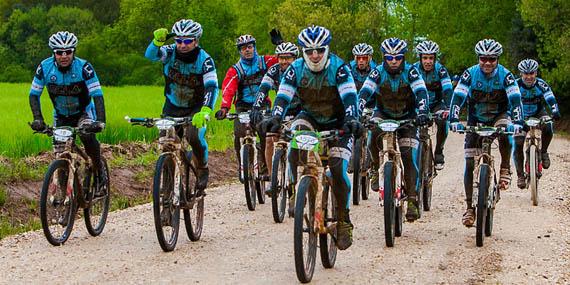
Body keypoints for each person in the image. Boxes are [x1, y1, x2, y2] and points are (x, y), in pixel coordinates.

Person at [260, 25, 360, 250]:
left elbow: (350, 96)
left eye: (320, 50)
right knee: (295, 139)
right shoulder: (295, 69)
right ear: (303, 51)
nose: (315, 55)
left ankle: (344, 219)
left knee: (337, 168)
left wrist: (353, 119)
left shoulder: (340, 67)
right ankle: (297, 188)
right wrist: (275, 118)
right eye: (309, 51)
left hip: (339, 121)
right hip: (310, 118)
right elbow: (283, 96)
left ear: (327, 49)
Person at [448, 39, 524, 227]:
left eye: (492, 59)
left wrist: (517, 122)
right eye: (484, 59)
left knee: (506, 130)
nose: (487, 63)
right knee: (468, 161)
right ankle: (469, 208)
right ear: (478, 58)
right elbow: (458, 98)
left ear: (497, 59)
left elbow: (515, 100)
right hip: (476, 118)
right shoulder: (470, 74)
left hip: (500, 115)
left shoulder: (506, 76)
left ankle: (505, 168)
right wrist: (454, 120)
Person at [358, 37, 430, 222]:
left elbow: (421, 93)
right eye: (389, 58)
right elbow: (365, 92)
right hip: (383, 113)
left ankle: (413, 199)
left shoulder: (411, 72)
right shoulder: (377, 72)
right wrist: (356, 111)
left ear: (403, 57)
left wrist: (423, 112)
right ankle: (375, 167)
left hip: (408, 116)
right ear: (384, 58)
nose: (393, 61)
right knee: (372, 133)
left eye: (397, 57)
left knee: (408, 154)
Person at [145, 19, 218, 196]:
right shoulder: (170, 53)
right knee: (166, 144)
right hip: (172, 107)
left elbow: (211, 86)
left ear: (196, 41)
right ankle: (168, 192)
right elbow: (151, 55)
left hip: (196, 108)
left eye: (187, 41)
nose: (182, 45)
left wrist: (206, 110)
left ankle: (202, 167)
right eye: (178, 41)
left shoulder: (205, 60)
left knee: (194, 136)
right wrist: (156, 42)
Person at [29, 31, 107, 194]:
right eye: (59, 52)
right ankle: (66, 194)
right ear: (54, 53)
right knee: (61, 154)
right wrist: (38, 119)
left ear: (73, 52)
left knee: (87, 136)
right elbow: (34, 95)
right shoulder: (44, 67)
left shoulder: (84, 67)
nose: (64, 56)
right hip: (61, 115)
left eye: (68, 52)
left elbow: (97, 95)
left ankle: (99, 173)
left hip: (84, 113)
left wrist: (100, 121)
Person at [215, 34, 279, 181]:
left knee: (265, 134)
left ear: (254, 48)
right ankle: (242, 164)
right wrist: (224, 108)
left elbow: (284, 58)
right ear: (239, 51)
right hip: (242, 106)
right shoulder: (235, 70)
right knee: (239, 134)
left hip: (263, 104)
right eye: (244, 48)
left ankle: (264, 167)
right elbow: (228, 88)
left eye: (250, 47)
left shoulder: (265, 62)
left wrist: (279, 44)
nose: (247, 50)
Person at [249, 41, 301, 195]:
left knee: (300, 143)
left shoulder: (300, 70)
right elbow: (263, 89)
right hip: (280, 111)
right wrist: (256, 108)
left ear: (295, 58)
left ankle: (303, 175)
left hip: (300, 111)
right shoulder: (273, 70)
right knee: (270, 138)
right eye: (280, 58)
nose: (283, 61)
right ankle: (273, 180)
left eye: (288, 58)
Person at [513, 59, 561, 188]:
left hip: (539, 113)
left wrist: (555, 111)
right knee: (517, 143)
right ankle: (520, 176)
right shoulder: (515, 85)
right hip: (521, 115)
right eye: (525, 74)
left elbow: (550, 98)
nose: (529, 77)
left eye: (532, 73)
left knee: (549, 126)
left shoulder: (541, 84)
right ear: (521, 74)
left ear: (536, 73)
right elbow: (508, 101)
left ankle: (544, 151)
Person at [413, 40, 453, 170]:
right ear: (420, 58)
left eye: (431, 58)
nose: (428, 61)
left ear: (435, 58)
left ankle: (439, 151)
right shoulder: (413, 70)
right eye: (425, 58)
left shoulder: (441, 70)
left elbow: (447, 90)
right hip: (417, 105)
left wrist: (448, 108)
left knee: (442, 122)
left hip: (436, 105)